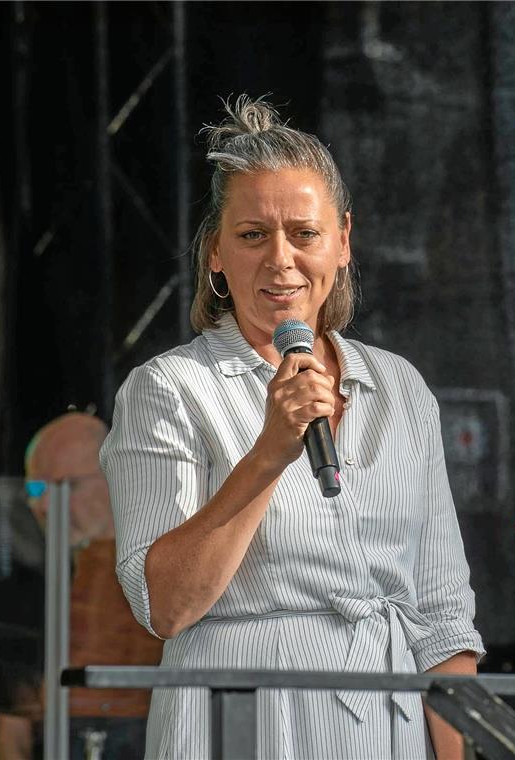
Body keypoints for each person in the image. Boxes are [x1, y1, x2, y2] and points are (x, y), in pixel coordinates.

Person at [100, 95, 484, 759]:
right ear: (215, 254)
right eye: (252, 235)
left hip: (387, 724)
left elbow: (444, 616)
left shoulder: (402, 388)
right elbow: (164, 604)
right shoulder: (167, 389)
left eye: (303, 233)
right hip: (239, 721)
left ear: (342, 242)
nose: (280, 258)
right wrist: (269, 454)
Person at [0, 411, 163, 760]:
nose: (40, 504)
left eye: (64, 487)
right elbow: (12, 731)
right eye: (34, 488)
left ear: (113, 478)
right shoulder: (24, 588)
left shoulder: (165, 569)